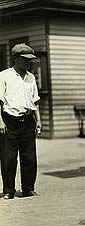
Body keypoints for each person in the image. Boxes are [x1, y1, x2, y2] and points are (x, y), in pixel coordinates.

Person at [0, 43, 42, 199]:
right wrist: (0, 122)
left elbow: (35, 101)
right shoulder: (3, 76)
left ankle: (28, 188)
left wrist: (38, 120)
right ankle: (9, 190)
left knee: (29, 158)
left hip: (27, 121)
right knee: (8, 158)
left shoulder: (31, 77)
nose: (28, 63)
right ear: (16, 59)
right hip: (9, 121)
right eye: (25, 60)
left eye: (30, 60)